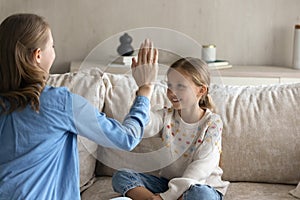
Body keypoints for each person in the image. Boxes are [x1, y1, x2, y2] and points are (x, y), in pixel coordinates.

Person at [0, 13, 158, 200]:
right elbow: (127, 138)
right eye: (52, 46)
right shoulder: (59, 102)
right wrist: (145, 91)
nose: (54, 51)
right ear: (38, 56)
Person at [112, 57, 230, 200]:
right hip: (168, 184)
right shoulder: (166, 116)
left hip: (202, 186)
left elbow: (200, 169)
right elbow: (141, 124)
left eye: (180, 86)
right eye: (170, 86)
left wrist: (165, 197)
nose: (172, 92)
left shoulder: (213, 123)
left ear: (201, 90)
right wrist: (143, 90)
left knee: (200, 195)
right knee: (122, 176)